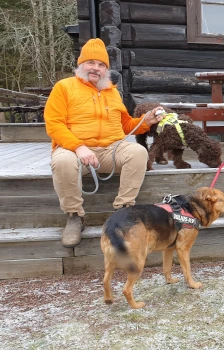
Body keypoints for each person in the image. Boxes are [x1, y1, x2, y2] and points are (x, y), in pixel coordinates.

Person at [45, 38, 163, 248]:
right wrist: (78, 146)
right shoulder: (64, 87)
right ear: (80, 64)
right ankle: (75, 216)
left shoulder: (112, 91)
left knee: (137, 152)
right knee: (62, 161)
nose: (96, 68)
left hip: (111, 150)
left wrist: (145, 122)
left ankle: (123, 211)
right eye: (91, 62)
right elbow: (54, 124)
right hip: (74, 150)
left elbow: (126, 124)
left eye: (101, 65)